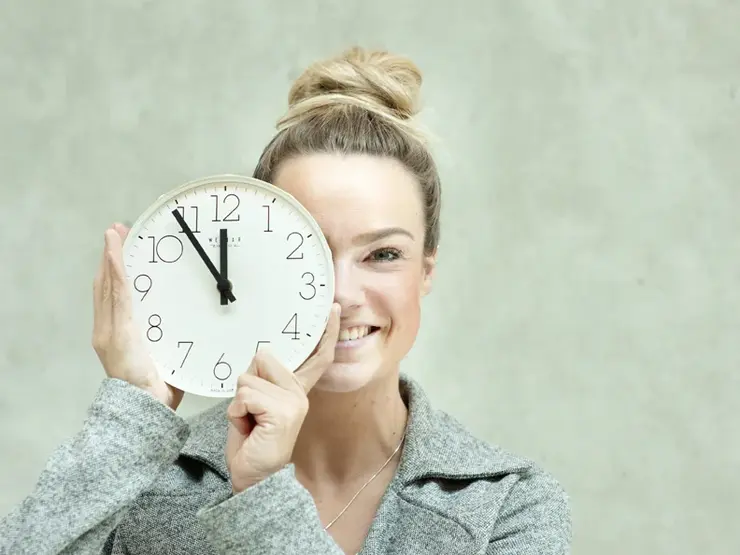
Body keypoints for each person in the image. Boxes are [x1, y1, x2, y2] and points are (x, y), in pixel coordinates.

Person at [0, 47, 571, 554]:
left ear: (426, 271)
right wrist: (133, 414)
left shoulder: (508, 506)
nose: (341, 294)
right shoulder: (148, 480)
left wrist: (264, 494)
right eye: (310, 255)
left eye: (383, 254)